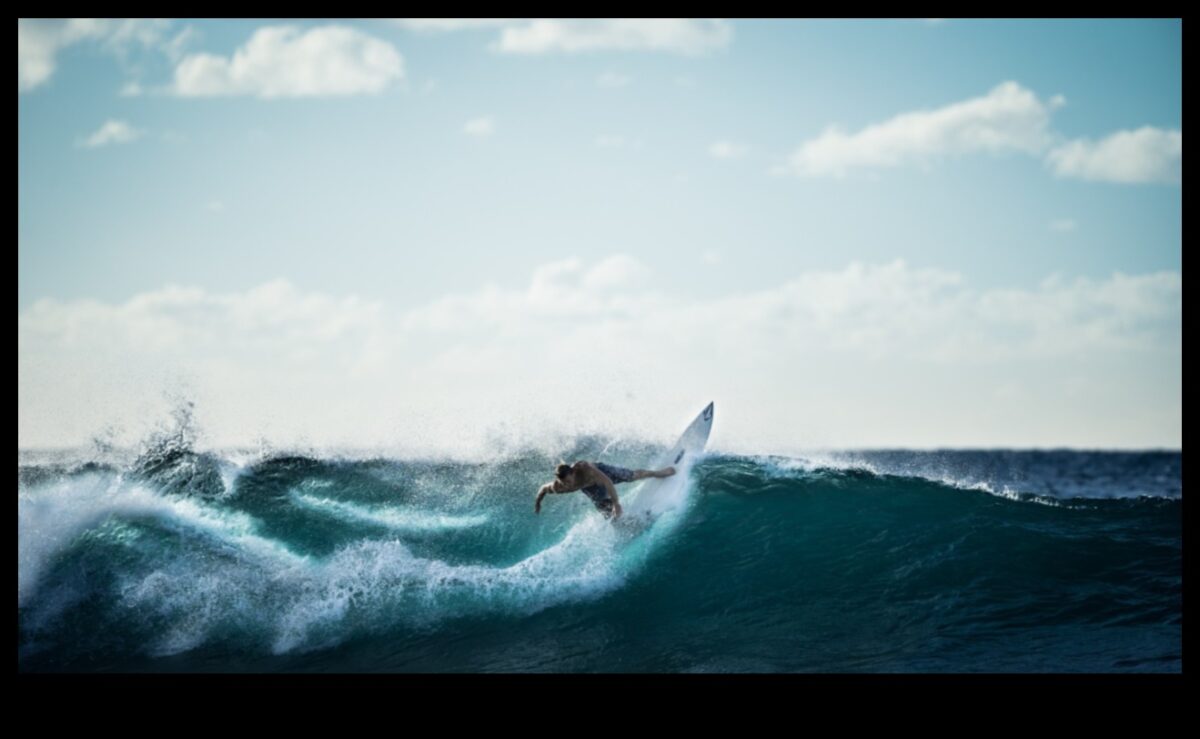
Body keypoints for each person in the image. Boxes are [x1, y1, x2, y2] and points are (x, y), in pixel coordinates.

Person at [534, 460, 676, 520]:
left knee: (631, 476)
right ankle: (629, 524)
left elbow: (607, 482)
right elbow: (543, 489)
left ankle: (659, 473)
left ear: (573, 473)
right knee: (609, 516)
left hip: (602, 473)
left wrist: (616, 503)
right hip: (590, 488)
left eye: (568, 481)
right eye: (563, 483)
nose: (567, 485)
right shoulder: (558, 487)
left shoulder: (585, 468)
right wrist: (538, 503)